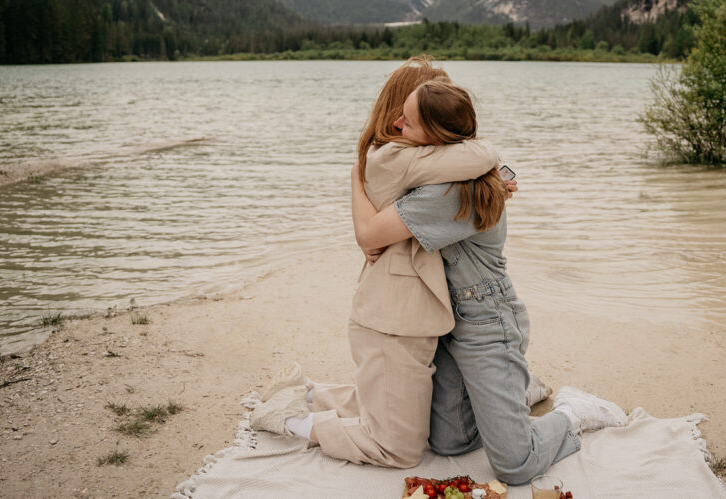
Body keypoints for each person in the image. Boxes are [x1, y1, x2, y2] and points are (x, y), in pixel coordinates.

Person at [350, 80, 628, 485]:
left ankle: (572, 413)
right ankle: (517, 395)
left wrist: (355, 175)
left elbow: (370, 234)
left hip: (487, 320)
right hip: (448, 323)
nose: (395, 124)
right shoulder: (448, 176)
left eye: (407, 122)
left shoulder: (448, 194)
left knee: (516, 465)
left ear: (436, 139)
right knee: (448, 442)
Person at [250, 57, 502, 468]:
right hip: (392, 316)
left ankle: (310, 393)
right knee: (399, 449)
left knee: (399, 399)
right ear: (403, 111)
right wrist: (492, 159)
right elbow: (476, 156)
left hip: (397, 309)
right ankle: (290, 420)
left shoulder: (391, 155)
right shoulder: (401, 158)